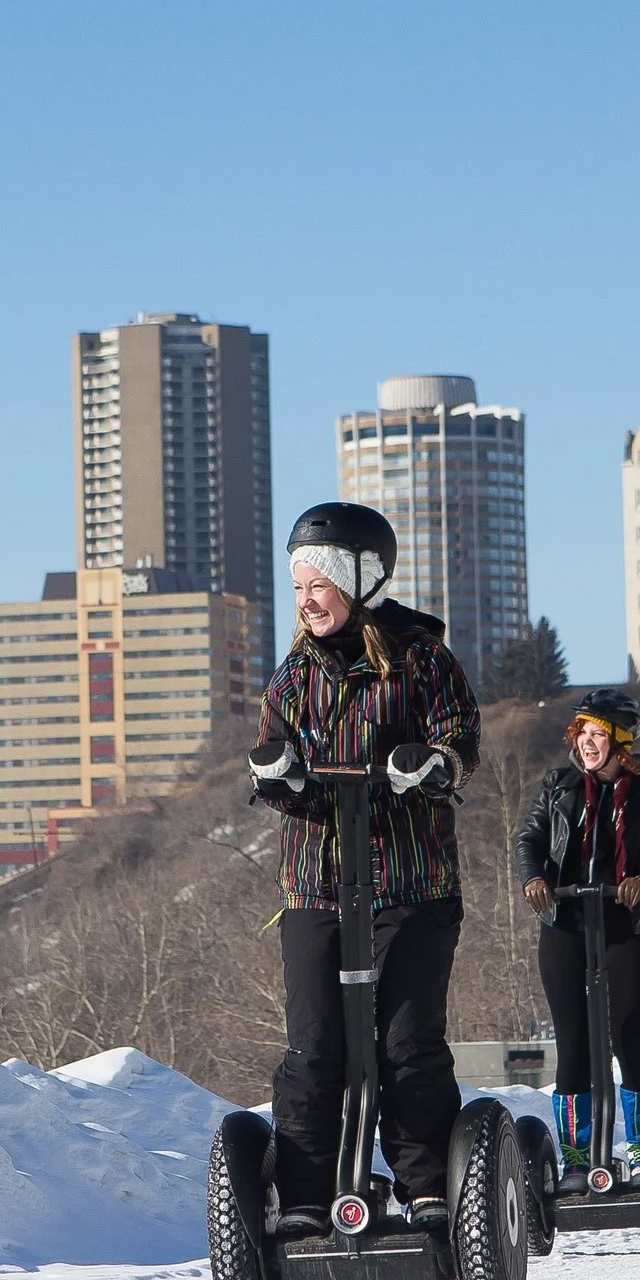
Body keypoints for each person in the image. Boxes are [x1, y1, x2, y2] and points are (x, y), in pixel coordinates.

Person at [248, 502, 482, 1236]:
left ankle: (426, 1188)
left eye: (319, 581)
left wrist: (434, 763)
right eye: (297, 586)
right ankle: (308, 1199)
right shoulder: (291, 679)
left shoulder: (422, 660)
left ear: (361, 578)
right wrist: (276, 775)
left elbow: (460, 739)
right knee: (315, 1050)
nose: (307, 598)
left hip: (410, 885)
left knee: (405, 1047)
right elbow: (269, 753)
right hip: (315, 886)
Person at [512, 690, 640, 1192]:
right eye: (582, 733)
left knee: (630, 1037)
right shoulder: (557, 785)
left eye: (598, 734)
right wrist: (534, 879)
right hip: (565, 921)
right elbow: (530, 841)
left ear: (620, 740)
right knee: (573, 1046)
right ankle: (576, 1159)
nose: (587, 742)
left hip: (628, 926)